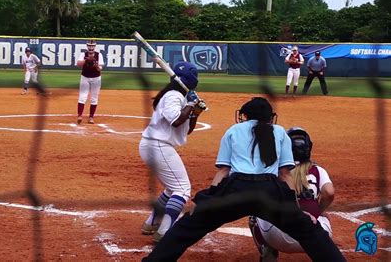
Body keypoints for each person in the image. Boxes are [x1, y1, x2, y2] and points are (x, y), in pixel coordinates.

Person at [142, 97, 345, 262]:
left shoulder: (232, 131)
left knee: (188, 227)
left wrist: (206, 201)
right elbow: (285, 175)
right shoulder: (280, 132)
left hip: (236, 189)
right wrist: (295, 210)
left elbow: (223, 172)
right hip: (269, 191)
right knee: (310, 232)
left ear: (245, 115)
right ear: (270, 117)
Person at [139, 61, 205, 243]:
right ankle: (164, 232)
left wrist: (195, 112)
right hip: (158, 146)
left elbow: (185, 130)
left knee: (173, 188)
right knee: (183, 189)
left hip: (156, 145)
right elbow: (176, 121)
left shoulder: (179, 97)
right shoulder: (173, 96)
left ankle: (152, 223)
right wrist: (191, 104)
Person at [249, 127, 335, 261]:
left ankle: (268, 255)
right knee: (323, 220)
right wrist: (318, 210)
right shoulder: (318, 170)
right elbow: (329, 193)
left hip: (281, 237)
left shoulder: (274, 170)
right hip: (314, 235)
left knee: (255, 213)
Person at [76, 40, 105, 124]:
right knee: (82, 97)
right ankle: (79, 116)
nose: (91, 47)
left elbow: (100, 69)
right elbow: (78, 64)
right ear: (87, 46)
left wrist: (95, 64)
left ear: (95, 46)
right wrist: (87, 60)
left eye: (92, 46)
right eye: (89, 45)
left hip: (96, 78)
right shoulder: (83, 54)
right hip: (85, 77)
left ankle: (91, 117)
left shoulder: (99, 55)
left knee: (94, 98)